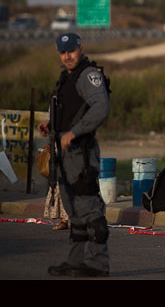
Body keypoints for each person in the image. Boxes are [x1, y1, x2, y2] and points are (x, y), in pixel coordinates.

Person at [38, 32, 111, 277]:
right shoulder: (67, 77)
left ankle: (98, 264)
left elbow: (101, 107)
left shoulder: (88, 75)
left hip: (81, 152)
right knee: (73, 210)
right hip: (65, 153)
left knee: (89, 208)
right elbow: (72, 108)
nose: (67, 56)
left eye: (71, 50)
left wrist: (74, 132)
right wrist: (52, 124)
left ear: (81, 48)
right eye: (62, 52)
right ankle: (77, 260)